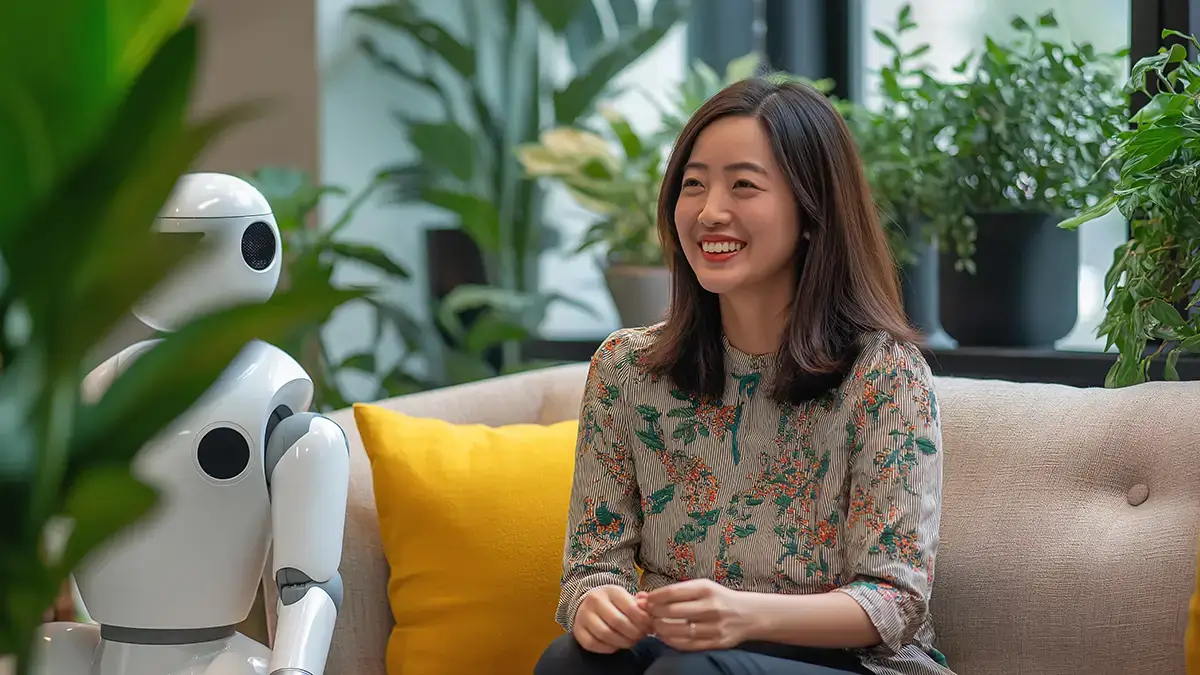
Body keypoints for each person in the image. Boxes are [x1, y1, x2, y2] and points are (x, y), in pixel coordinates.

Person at [534, 76, 954, 675]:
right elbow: (589, 568)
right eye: (694, 184)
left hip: (852, 664)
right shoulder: (625, 370)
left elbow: (895, 601)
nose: (710, 212)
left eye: (744, 186)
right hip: (682, 656)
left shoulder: (884, 374)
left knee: (688, 673)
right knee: (572, 663)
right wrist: (596, 605)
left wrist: (745, 615)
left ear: (811, 212)